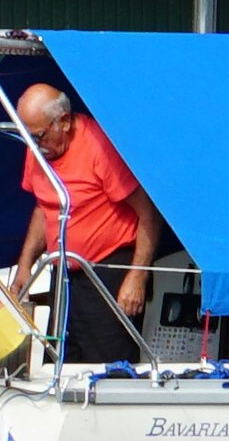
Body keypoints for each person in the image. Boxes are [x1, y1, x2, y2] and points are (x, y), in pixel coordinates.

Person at [9, 72, 162, 357]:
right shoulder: (39, 149)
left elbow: (149, 213)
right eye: (27, 137)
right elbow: (44, 207)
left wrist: (137, 276)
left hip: (108, 270)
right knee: (60, 359)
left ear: (63, 122)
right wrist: (24, 264)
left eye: (38, 136)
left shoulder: (98, 147)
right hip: (65, 274)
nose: (34, 145)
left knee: (109, 365)